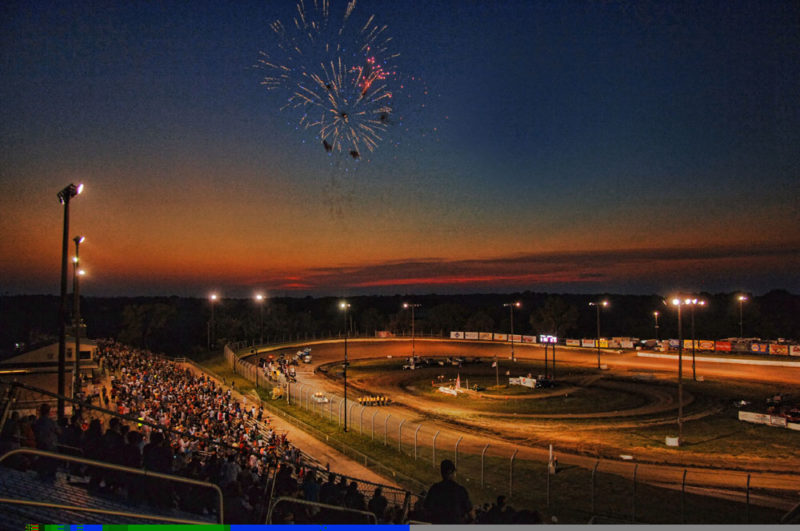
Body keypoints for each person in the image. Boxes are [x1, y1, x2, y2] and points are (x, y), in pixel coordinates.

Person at [423, 459, 472, 524]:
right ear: (451, 472)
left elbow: (427, 509)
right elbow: (470, 513)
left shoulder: (434, 489)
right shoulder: (460, 490)